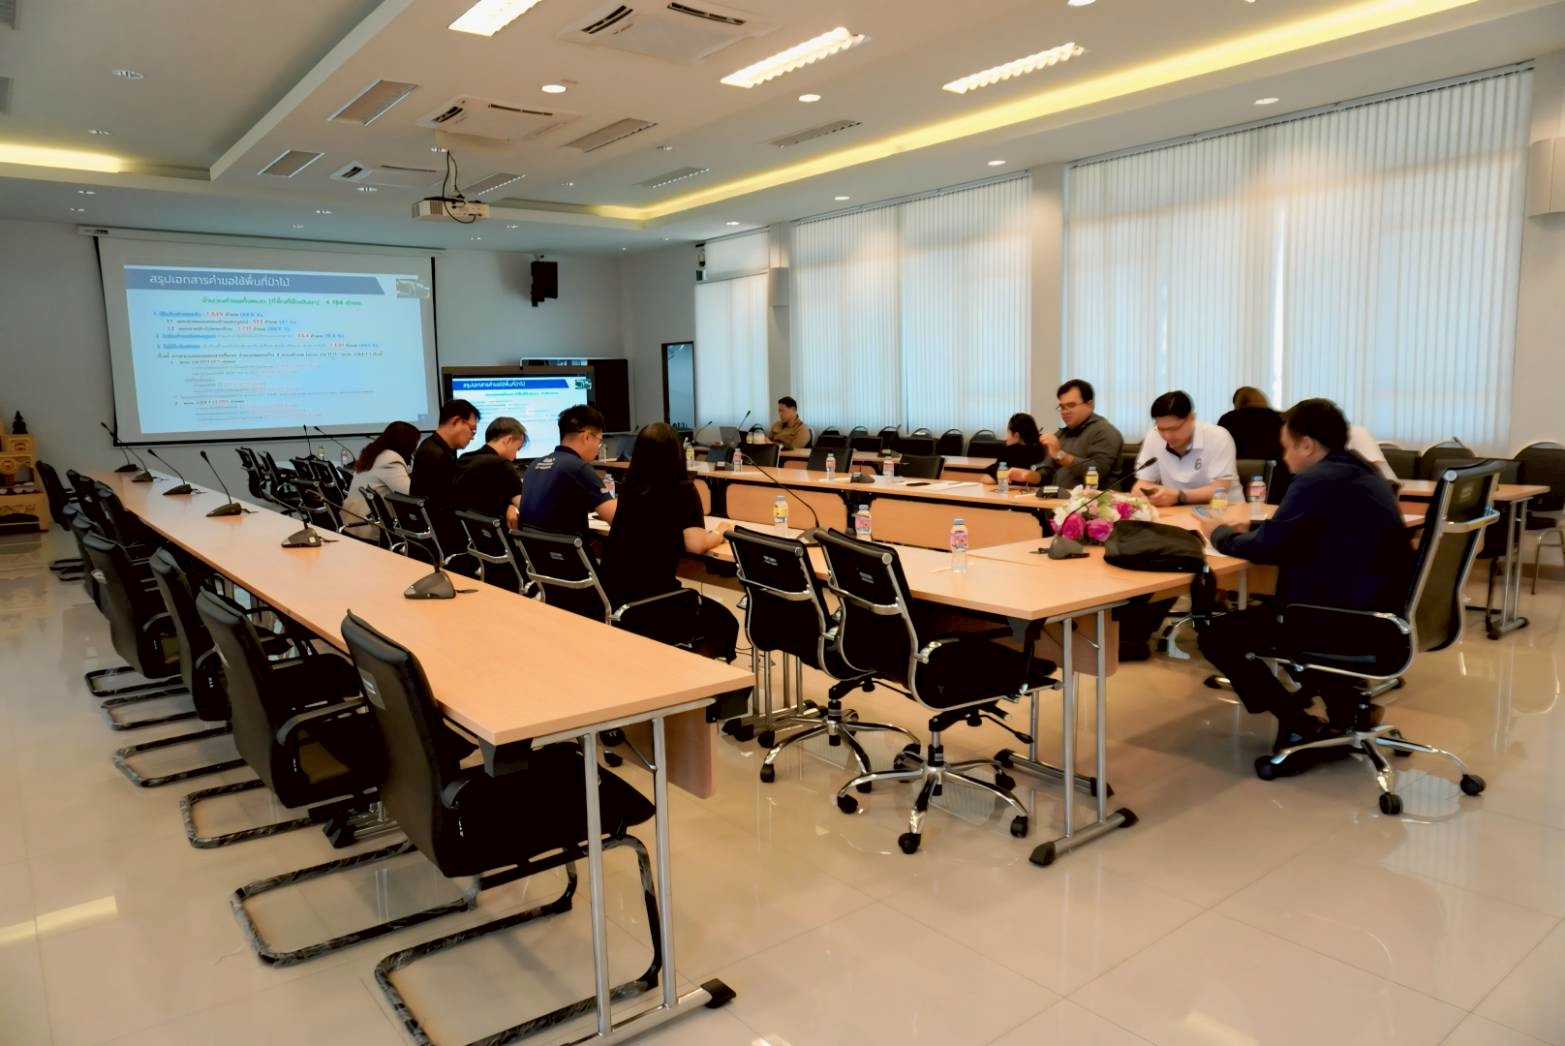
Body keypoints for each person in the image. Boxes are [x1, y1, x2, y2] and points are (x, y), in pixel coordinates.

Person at [1197, 398, 1415, 763]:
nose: (1284, 458)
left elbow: (1269, 548)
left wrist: (1218, 534)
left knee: (1217, 635)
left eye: (1286, 448)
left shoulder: (1315, 480)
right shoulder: (1359, 470)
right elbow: (1311, 528)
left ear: (1307, 445)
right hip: (1380, 614)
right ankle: (1347, 710)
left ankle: (1298, 723)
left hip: (1340, 620)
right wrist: (1253, 526)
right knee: (1279, 613)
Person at [601, 423, 740, 661]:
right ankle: (695, 676)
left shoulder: (628, 488)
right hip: (653, 602)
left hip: (613, 598)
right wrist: (721, 532)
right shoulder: (682, 489)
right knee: (724, 622)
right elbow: (696, 544)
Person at [1000, 380, 1124, 489]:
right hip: (1057, 500)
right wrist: (1030, 476)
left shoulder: (1105, 432)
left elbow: (1096, 471)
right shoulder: (1061, 434)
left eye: (1071, 405)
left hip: (1093, 503)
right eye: (1062, 407)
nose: (1065, 412)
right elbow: (1048, 471)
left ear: (1089, 405)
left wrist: (1060, 455)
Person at [519, 404, 618, 541]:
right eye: (599, 441)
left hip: (536, 552)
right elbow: (617, 519)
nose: (598, 448)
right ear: (587, 436)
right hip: (569, 553)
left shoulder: (534, 465)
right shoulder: (578, 468)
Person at [1133, 390, 1240, 507]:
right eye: (1161, 429)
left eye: (1174, 429)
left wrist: (1179, 496)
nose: (1167, 436)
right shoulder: (1154, 436)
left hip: (1223, 509)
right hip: (1176, 511)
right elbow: (1143, 483)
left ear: (1191, 418)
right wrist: (1142, 494)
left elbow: (1220, 488)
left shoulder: (1218, 437)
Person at [341, 421, 419, 541]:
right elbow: (410, 495)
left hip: (351, 521)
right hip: (368, 529)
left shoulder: (374, 453)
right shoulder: (391, 458)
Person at [449, 417, 528, 531]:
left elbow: (482, 498)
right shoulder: (502, 464)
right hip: (495, 534)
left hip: (467, 532)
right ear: (508, 440)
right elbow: (526, 508)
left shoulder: (464, 459)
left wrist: (507, 506)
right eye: (517, 449)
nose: (515, 457)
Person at [1218, 386, 1284, 462]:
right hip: (1276, 467)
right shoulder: (1281, 418)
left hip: (1237, 467)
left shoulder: (1227, 419)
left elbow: (1219, 449)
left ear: (1238, 401)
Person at [982, 413, 1048, 485]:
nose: (1006, 438)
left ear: (1016, 436)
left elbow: (988, 478)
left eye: (1008, 433)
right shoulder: (1041, 448)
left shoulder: (1010, 452)